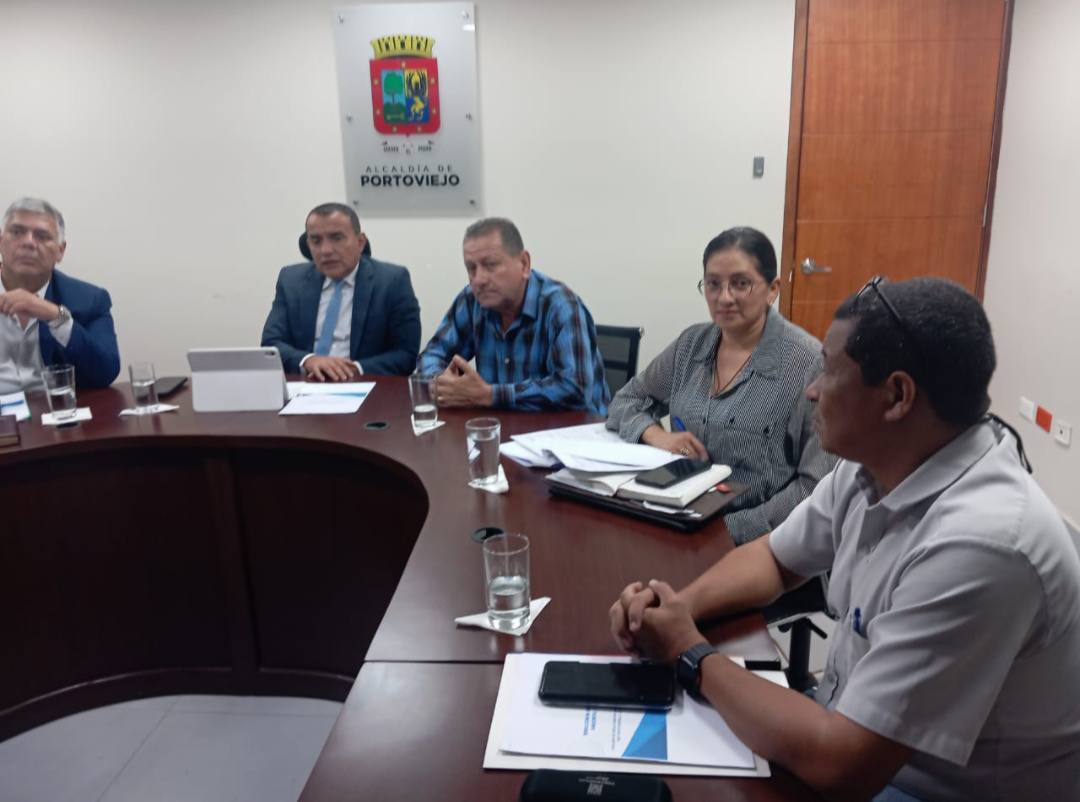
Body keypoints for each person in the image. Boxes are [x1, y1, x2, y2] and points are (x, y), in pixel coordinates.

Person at [609, 277, 1080, 801]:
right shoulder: (873, 465)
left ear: (896, 396)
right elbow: (774, 559)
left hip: (930, 787)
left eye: (830, 371)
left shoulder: (983, 544)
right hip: (855, 733)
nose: (812, 389)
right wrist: (677, 608)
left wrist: (688, 652)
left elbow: (840, 764)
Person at [606, 227, 834, 543]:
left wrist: (727, 533)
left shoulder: (808, 363)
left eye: (740, 283)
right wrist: (656, 435)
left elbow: (816, 485)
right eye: (713, 284)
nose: (724, 297)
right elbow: (626, 400)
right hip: (677, 518)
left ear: (773, 289)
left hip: (759, 542)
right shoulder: (691, 345)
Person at [417, 218, 610, 415]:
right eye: (471, 268)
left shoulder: (561, 306)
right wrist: (442, 383)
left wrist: (490, 395)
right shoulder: (472, 300)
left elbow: (575, 389)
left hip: (577, 429)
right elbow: (432, 355)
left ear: (524, 264)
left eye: (490, 265)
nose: (479, 279)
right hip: (505, 425)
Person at [261, 202, 420, 380]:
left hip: (363, 383)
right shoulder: (291, 280)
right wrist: (308, 360)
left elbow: (406, 355)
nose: (326, 250)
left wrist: (353, 369)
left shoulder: (392, 281)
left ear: (360, 242)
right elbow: (271, 344)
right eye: (316, 241)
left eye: (337, 238)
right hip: (304, 383)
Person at [0, 197, 120, 393]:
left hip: (54, 408)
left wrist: (55, 316)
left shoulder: (90, 300)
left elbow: (105, 372)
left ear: (60, 251)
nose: (28, 242)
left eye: (42, 236)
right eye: (17, 232)